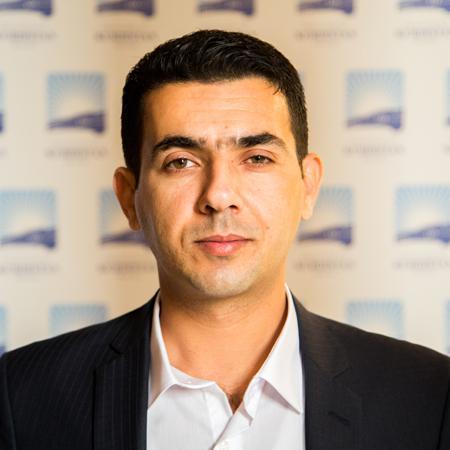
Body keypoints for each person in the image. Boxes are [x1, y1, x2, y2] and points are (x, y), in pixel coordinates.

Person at [0, 30, 448, 450]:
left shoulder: (429, 396)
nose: (218, 195)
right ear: (128, 197)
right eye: (180, 161)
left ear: (308, 185)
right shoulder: (21, 398)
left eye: (257, 157)